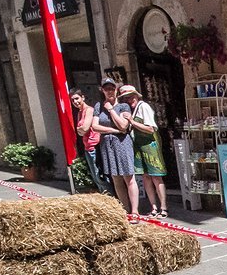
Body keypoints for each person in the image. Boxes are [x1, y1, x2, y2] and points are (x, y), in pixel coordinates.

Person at [91, 78, 140, 219]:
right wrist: (113, 130)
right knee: (116, 178)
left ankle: (135, 211)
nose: (109, 91)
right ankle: (125, 210)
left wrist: (111, 110)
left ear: (116, 89)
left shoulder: (123, 106)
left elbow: (123, 126)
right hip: (108, 144)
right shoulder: (98, 106)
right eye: (106, 89)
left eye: (112, 88)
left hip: (122, 143)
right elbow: (95, 126)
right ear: (102, 90)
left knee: (129, 177)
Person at [118, 84, 168, 217]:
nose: (129, 100)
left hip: (150, 144)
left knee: (156, 176)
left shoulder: (143, 106)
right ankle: (153, 207)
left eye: (131, 96)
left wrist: (131, 122)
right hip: (139, 145)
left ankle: (163, 207)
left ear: (136, 95)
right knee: (145, 176)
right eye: (126, 98)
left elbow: (151, 129)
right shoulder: (132, 110)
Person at [69, 87, 110, 194]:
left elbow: (85, 128)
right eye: (72, 100)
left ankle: (111, 198)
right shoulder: (79, 113)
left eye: (77, 98)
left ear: (83, 97)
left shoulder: (89, 110)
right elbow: (79, 131)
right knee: (95, 177)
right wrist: (80, 130)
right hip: (87, 147)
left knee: (100, 176)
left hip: (95, 146)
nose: (75, 102)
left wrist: (80, 130)